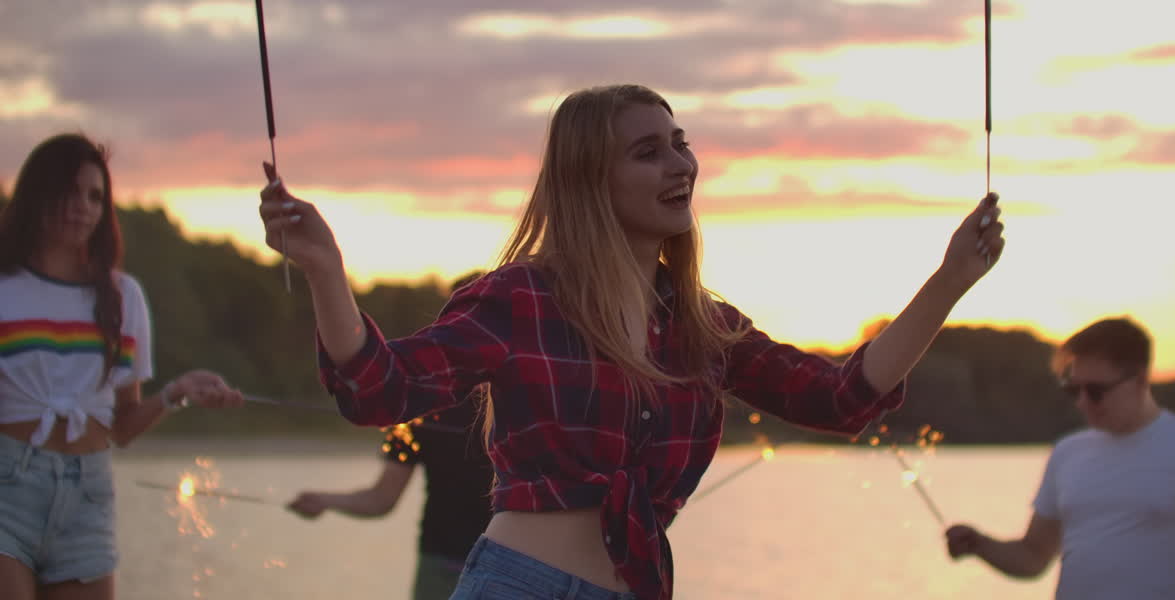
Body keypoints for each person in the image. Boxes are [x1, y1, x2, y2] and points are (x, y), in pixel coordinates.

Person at [258, 84, 1006, 600]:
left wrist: (951, 281)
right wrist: (325, 269)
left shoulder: (704, 327)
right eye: (649, 152)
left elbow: (840, 399)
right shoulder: (521, 298)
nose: (681, 165)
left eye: (680, 145)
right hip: (521, 585)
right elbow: (379, 390)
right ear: (591, 179)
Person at [0, 133, 244, 600]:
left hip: (88, 498)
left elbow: (123, 428)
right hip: (8, 487)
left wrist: (178, 391)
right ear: (38, 194)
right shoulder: (5, 289)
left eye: (95, 196)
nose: (83, 207)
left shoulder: (122, 296)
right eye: (70, 192)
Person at [944, 316, 1175, 600]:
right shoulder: (1067, 452)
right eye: (1073, 390)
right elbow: (1033, 556)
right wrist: (979, 544)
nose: (1082, 402)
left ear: (1141, 380)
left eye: (1096, 391)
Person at [286, 278, 494, 600]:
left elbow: (381, 499)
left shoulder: (416, 404)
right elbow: (381, 498)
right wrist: (326, 500)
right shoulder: (416, 410)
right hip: (458, 569)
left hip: (485, 570)